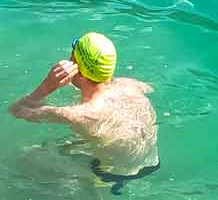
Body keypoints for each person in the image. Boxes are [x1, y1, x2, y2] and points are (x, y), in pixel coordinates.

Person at [9, 33, 159, 192]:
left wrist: (48, 86)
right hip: (151, 162)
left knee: (29, 156)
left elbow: (17, 110)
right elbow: (150, 88)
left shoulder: (80, 115)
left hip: (110, 176)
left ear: (77, 70)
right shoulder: (131, 85)